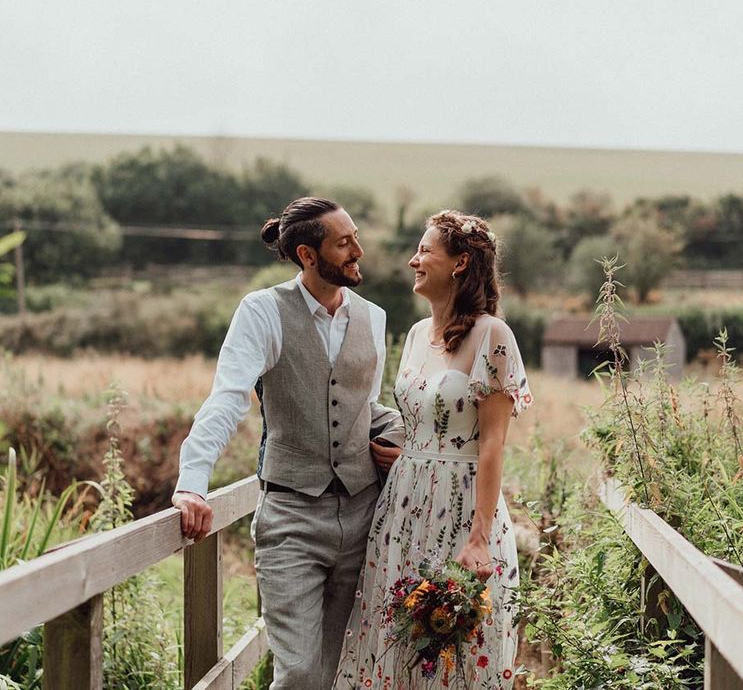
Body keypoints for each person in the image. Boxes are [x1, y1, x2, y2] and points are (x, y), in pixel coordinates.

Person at [172, 196, 404, 690]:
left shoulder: (375, 318)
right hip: (291, 518)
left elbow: (363, 406)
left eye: (355, 237)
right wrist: (193, 482)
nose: (358, 250)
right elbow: (228, 399)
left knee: (341, 671)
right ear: (307, 255)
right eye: (344, 243)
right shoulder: (262, 312)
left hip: (364, 515)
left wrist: (401, 436)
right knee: (298, 672)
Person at [333, 210, 533, 689]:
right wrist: (414, 455)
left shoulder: (493, 336)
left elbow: (491, 445)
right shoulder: (417, 335)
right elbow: (421, 422)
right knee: (396, 640)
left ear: (460, 263)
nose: (413, 260)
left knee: (455, 651)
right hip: (402, 511)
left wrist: (479, 537)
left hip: (464, 511)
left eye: (424, 251)